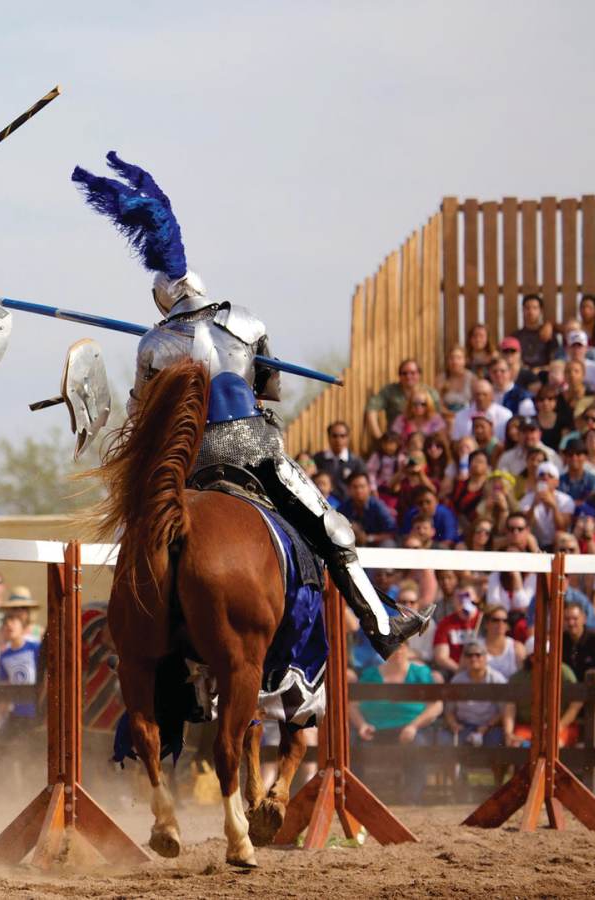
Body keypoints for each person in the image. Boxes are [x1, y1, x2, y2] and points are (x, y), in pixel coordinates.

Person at [71, 153, 429, 658]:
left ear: (162, 302)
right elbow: (268, 389)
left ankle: (126, 639)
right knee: (331, 528)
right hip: (258, 449)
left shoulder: (153, 343)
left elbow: (140, 417)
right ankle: (381, 622)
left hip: (192, 462)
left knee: (138, 546)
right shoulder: (246, 320)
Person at [349, 647, 442, 804]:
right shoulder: (371, 674)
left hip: (409, 729)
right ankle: (359, 800)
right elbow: (352, 704)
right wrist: (361, 725)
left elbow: (437, 705)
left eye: (400, 647)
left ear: (407, 649)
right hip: (374, 729)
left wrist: (414, 726)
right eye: (392, 648)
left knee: (418, 746)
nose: (397, 651)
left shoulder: (420, 673)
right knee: (354, 746)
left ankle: (411, 800)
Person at [444, 640, 507, 748]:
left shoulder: (497, 679)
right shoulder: (457, 680)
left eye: (478, 655)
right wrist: (454, 724)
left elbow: (504, 711)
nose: (473, 658)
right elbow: (449, 710)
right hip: (463, 726)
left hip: (490, 726)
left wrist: (486, 727)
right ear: (464, 659)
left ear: (485, 657)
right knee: (445, 742)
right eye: (469, 655)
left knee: (497, 744)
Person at [0, 597, 42, 742]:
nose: (9, 626)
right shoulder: (4, 656)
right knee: (10, 749)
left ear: (23, 627)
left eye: (13, 622)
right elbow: (5, 687)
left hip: (36, 711)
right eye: (6, 623)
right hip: (17, 712)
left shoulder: (35, 648)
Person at [366, 360, 444, 445]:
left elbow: (438, 417)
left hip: (426, 441)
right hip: (397, 440)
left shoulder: (430, 393)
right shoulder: (390, 391)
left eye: (413, 373)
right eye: (404, 373)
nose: (408, 376)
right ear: (399, 376)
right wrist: (380, 438)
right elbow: (372, 409)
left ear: (419, 374)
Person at [518, 462, 573, 550]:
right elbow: (526, 526)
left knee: (560, 536)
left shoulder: (566, 500)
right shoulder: (526, 499)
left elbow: (563, 528)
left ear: (557, 482)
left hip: (557, 544)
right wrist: (534, 505)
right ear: (537, 480)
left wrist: (554, 507)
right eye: (541, 475)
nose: (545, 478)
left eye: (550, 476)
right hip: (534, 543)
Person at [433, 586, 483, 675]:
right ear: (453, 601)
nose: (463, 600)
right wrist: (460, 672)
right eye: (459, 597)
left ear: (476, 598)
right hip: (455, 670)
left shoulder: (484, 620)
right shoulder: (446, 623)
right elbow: (441, 657)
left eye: (466, 595)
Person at [311, 421, 366, 502]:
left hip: (348, 508)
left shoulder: (356, 462)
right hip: (321, 505)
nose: (338, 439)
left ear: (348, 438)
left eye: (342, 436)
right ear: (328, 437)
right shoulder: (318, 458)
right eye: (334, 436)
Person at [340, 472, 396, 546]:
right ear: (349, 489)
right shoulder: (344, 508)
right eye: (355, 487)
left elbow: (392, 533)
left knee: (388, 544)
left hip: (377, 544)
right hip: (353, 544)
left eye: (362, 486)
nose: (359, 490)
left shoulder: (378, 506)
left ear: (369, 488)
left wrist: (368, 538)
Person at [561, 601, 595, 682]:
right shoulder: (560, 640)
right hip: (566, 689)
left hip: (592, 690)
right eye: (567, 619)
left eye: (575, 618)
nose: (571, 623)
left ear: (584, 619)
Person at [510, 294, 560, 370]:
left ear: (541, 311)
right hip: (521, 375)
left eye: (535, 308)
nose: (531, 311)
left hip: (545, 375)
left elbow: (556, 361)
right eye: (527, 308)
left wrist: (540, 369)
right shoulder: (515, 336)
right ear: (523, 310)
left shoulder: (549, 335)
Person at [478, 604, 526, 678]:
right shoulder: (475, 647)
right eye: (496, 620)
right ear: (486, 623)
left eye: (505, 621)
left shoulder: (517, 648)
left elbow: (523, 679)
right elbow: (460, 678)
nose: (501, 623)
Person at [451, 449, 492, 523]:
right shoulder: (460, 484)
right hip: (458, 523)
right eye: (475, 461)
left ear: (487, 466)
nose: (477, 464)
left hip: (480, 524)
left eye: (481, 461)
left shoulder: (490, 487)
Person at [437, 345, 475, 416]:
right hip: (447, 417)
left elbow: (475, 403)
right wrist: (451, 415)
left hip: (468, 416)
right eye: (452, 358)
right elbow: (438, 404)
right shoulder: (441, 379)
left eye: (459, 358)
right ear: (447, 360)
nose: (455, 361)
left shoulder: (472, 379)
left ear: (464, 360)